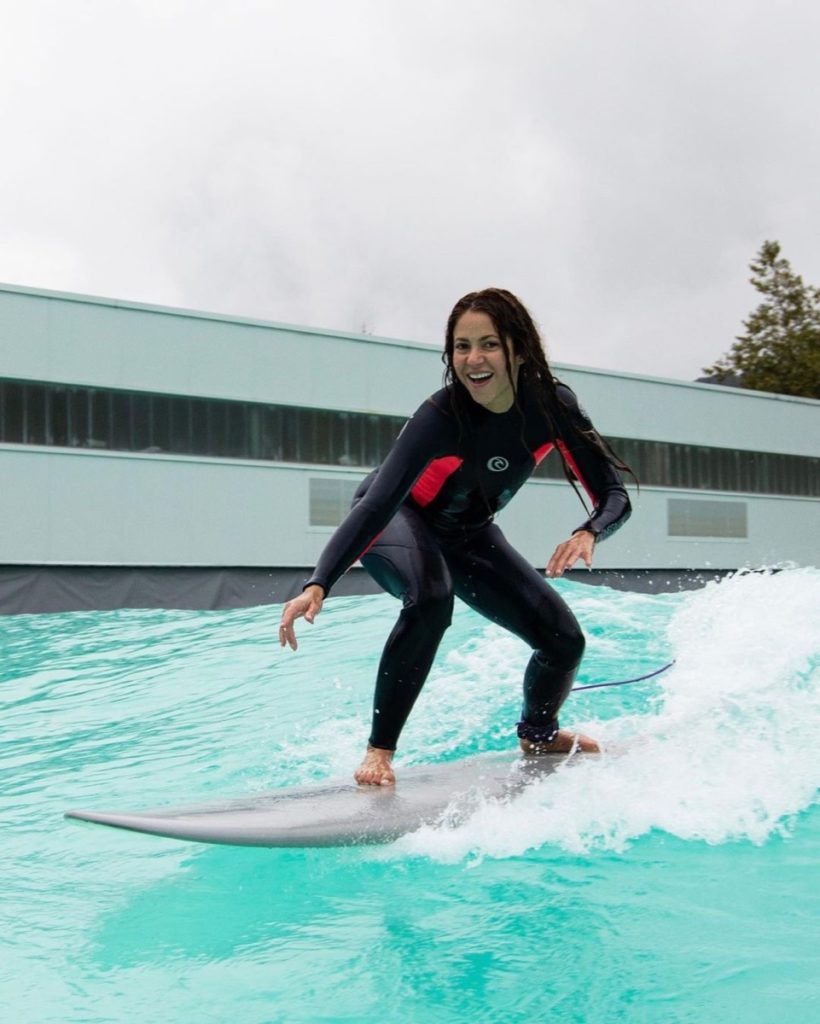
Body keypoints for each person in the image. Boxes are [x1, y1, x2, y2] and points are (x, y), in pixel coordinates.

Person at [279, 288, 632, 786]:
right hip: (398, 519)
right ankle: (379, 752)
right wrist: (319, 582)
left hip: (468, 533)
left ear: (519, 349)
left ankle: (539, 735)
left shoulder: (553, 406)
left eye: (489, 344)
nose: (473, 359)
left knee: (563, 641)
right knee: (431, 598)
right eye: (462, 347)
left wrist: (589, 531)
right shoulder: (441, 415)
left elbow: (614, 495)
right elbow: (377, 505)